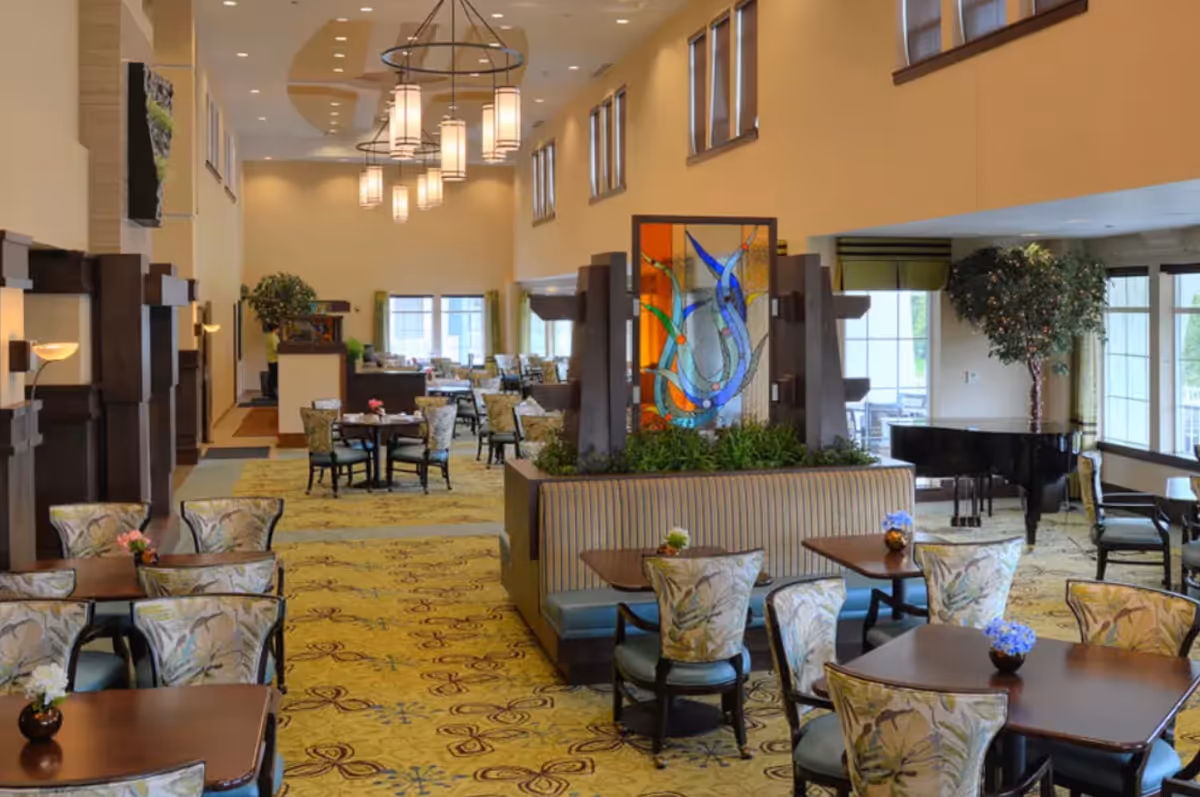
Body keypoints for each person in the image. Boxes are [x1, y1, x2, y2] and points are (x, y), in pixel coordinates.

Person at [265, 324, 280, 400]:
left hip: (270, 359)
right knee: (274, 377)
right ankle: (273, 394)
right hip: (274, 359)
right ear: (275, 329)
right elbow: (275, 349)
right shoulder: (273, 337)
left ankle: (270, 393)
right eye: (278, 328)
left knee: (271, 376)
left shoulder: (269, 336)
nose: (279, 330)